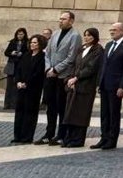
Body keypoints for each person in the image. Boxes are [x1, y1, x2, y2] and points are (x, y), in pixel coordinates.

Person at [38, 10, 79, 146]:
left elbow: (71, 57)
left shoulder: (75, 36)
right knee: (50, 106)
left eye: (64, 19)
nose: (61, 21)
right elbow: (47, 53)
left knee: (62, 106)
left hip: (63, 76)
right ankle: (49, 133)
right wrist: (49, 68)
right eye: (60, 19)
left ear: (71, 21)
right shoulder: (55, 34)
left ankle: (62, 134)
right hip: (50, 75)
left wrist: (56, 69)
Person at [92, 22, 123, 150]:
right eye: (111, 30)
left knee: (113, 113)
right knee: (104, 113)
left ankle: (112, 139)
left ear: (122, 31)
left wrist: (122, 86)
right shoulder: (109, 45)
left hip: (116, 86)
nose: (111, 32)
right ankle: (104, 137)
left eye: (114, 30)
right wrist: (99, 83)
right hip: (105, 84)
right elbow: (103, 65)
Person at [61, 28, 105, 147]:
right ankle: (69, 138)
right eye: (85, 35)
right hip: (74, 85)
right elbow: (75, 65)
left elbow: (91, 68)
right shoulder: (82, 48)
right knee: (70, 113)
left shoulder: (98, 50)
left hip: (86, 86)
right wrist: (70, 78)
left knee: (81, 114)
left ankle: (78, 140)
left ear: (95, 37)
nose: (87, 37)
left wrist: (77, 78)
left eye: (89, 35)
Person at [11, 34, 47, 143]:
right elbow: (19, 69)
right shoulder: (26, 55)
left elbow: (38, 73)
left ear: (40, 44)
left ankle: (27, 137)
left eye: (35, 42)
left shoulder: (42, 57)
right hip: (21, 88)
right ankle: (18, 136)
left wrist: (27, 83)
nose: (32, 44)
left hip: (33, 89)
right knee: (19, 111)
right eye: (31, 42)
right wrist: (18, 81)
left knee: (30, 112)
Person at [3, 27, 29, 109]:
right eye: (18, 34)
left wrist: (22, 54)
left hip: (21, 65)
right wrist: (12, 53)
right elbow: (6, 52)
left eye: (21, 34)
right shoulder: (12, 42)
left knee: (17, 85)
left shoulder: (27, 43)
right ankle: (7, 104)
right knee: (9, 85)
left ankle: (15, 103)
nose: (19, 36)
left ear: (24, 35)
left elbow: (28, 53)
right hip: (12, 65)